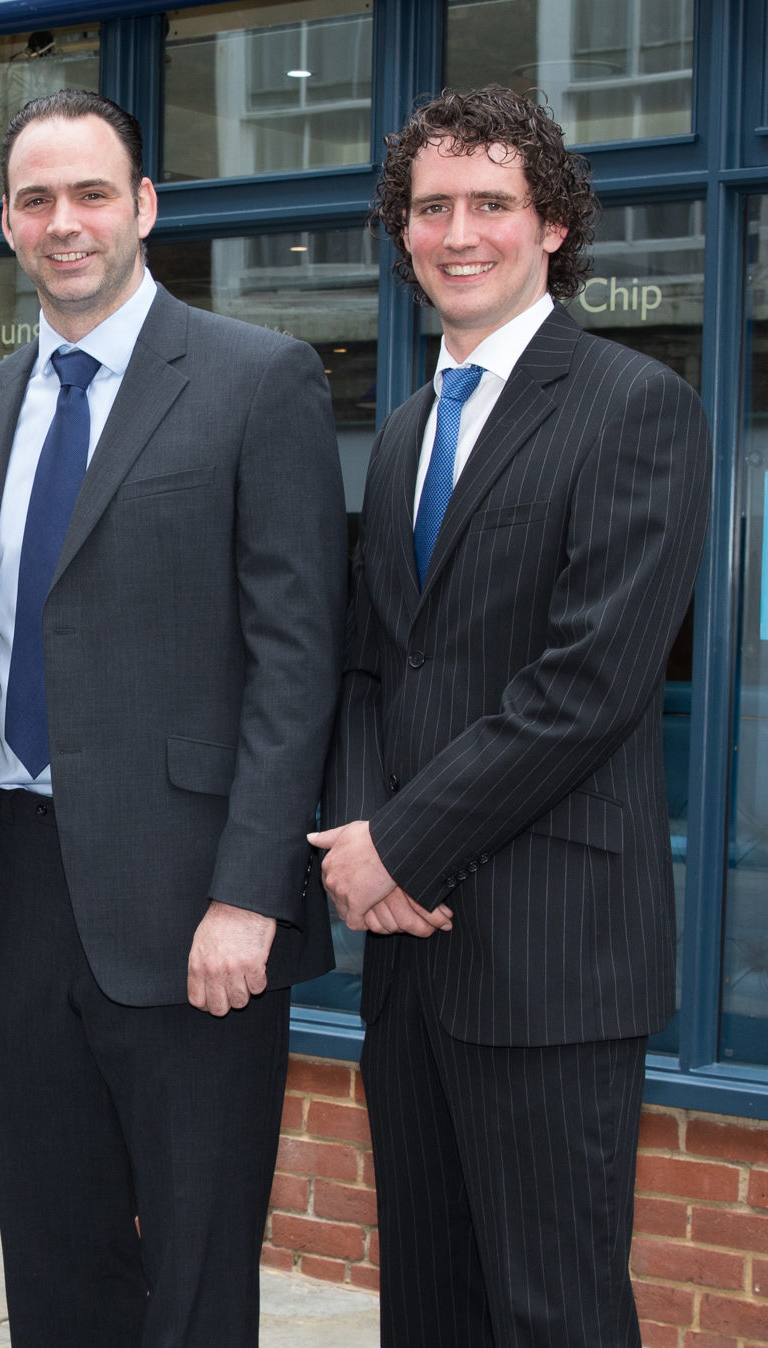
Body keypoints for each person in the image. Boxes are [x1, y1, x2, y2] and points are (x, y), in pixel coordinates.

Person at [0, 89, 347, 1345]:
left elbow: (298, 660)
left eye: (92, 194)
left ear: (144, 207)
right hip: (15, 895)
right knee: (53, 1257)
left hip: (191, 907)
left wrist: (251, 893)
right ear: (8, 224)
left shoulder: (255, 379)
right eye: (36, 200)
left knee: (198, 1262)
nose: (66, 224)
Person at [312, 86, 711, 1347]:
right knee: (428, 1305)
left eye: (492, 202)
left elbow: (587, 683)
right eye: (432, 207)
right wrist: (359, 844)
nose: (458, 231)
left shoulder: (634, 406)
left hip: (554, 958)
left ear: (552, 228)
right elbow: (371, 669)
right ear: (404, 233)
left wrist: (401, 845)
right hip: (410, 957)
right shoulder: (404, 431)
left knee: (554, 1312)